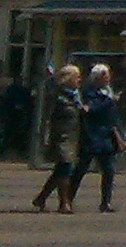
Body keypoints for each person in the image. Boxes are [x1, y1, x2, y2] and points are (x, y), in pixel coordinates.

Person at [34, 64, 87, 213]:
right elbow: (47, 117)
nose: (79, 80)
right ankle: (64, 203)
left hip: (72, 136)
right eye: (76, 77)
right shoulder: (57, 96)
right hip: (60, 136)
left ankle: (41, 198)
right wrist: (44, 136)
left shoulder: (76, 96)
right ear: (68, 79)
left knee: (61, 170)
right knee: (65, 167)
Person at [80, 62, 124, 214]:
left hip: (107, 136)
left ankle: (106, 202)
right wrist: (110, 101)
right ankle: (68, 199)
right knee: (81, 168)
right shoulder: (89, 92)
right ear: (96, 77)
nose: (108, 79)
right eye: (104, 76)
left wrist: (119, 133)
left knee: (109, 170)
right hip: (93, 135)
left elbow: (113, 117)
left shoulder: (108, 91)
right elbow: (93, 109)